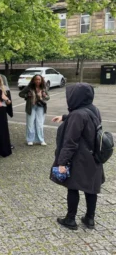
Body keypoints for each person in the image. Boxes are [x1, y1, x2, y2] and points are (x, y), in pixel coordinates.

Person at [51, 83, 105, 230]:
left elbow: (70, 142)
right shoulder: (94, 109)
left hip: (80, 158)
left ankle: (70, 219)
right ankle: (89, 219)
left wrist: (62, 163)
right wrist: (63, 117)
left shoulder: (77, 115)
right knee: (91, 188)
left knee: (72, 187)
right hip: (94, 157)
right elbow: (84, 117)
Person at [19, 75, 50, 146]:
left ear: (41, 80)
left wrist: (45, 96)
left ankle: (41, 140)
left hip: (41, 107)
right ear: (33, 80)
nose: (38, 81)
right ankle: (30, 140)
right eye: (36, 79)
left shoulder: (44, 87)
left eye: (39, 79)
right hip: (31, 107)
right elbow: (21, 94)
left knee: (39, 124)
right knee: (30, 124)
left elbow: (48, 97)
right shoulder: (29, 87)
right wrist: (27, 95)